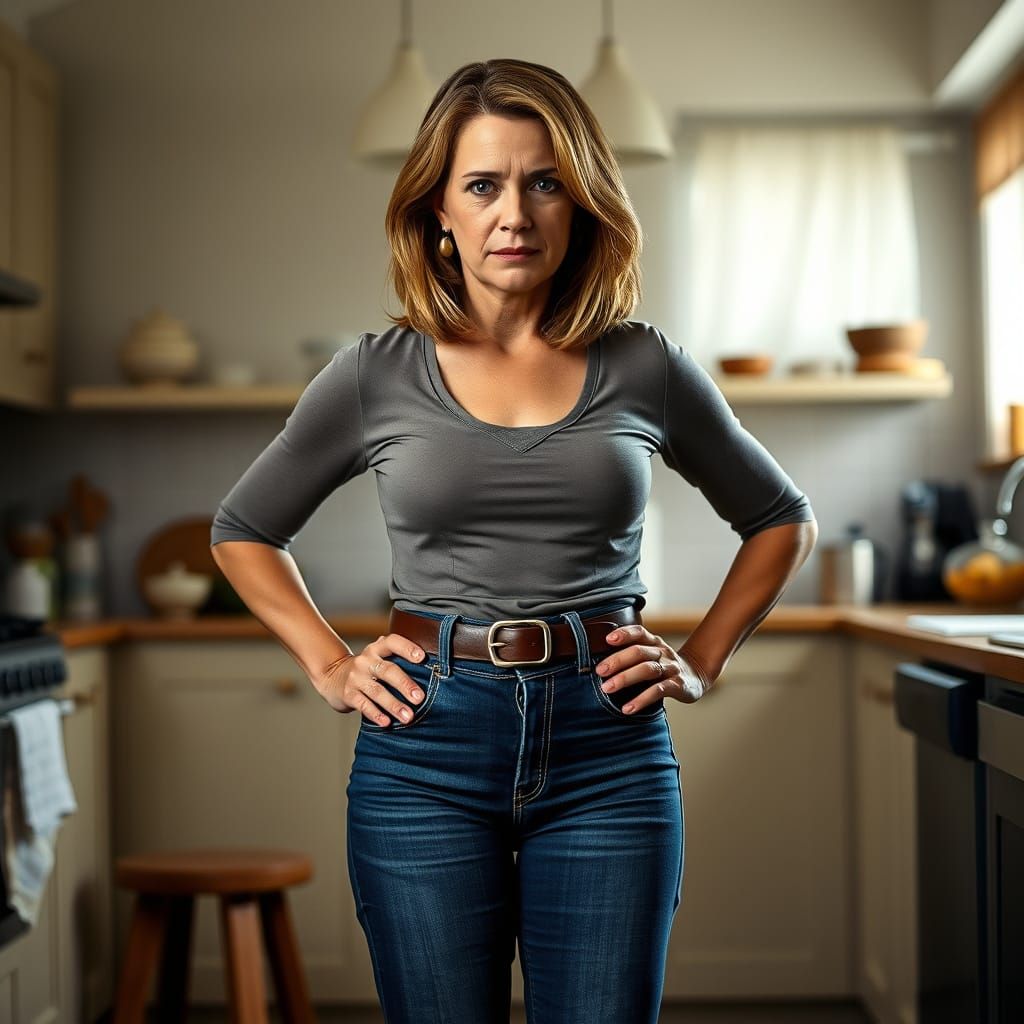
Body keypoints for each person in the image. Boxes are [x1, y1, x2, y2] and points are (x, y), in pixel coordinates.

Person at [210, 57, 817, 1024]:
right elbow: (243, 530)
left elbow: (780, 518)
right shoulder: (374, 375)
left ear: (580, 203)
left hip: (608, 750)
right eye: (483, 185)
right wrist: (328, 663)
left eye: (545, 183)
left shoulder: (644, 362)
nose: (516, 215)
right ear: (438, 212)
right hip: (425, 749)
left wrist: (703, 659)